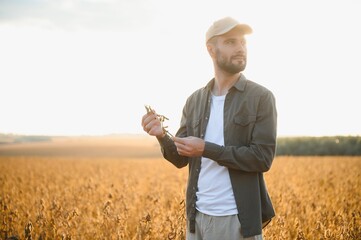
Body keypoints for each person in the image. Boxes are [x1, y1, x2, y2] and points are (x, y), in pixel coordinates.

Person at [141, 16, 277, 240]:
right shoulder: (194, 100)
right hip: (196, 221)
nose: (241, 48)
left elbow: (262, 158)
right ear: (211, 50)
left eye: (243, 42)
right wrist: (161, 135)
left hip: (237, 220)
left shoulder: (261, 97)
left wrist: (206, 149)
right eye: (231, 42)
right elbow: (180, 159)